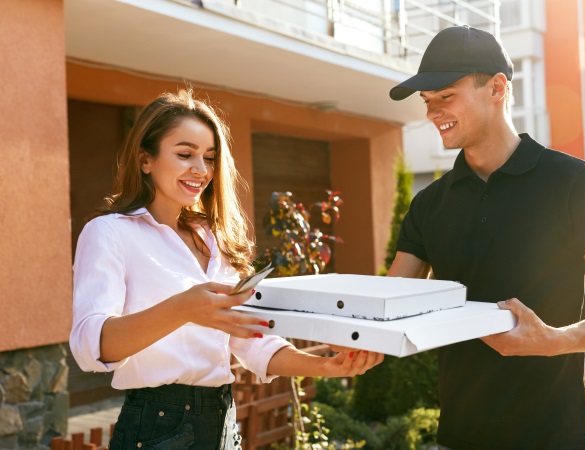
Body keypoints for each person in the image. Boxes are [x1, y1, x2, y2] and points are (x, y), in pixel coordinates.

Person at [70, 89, 383, 449]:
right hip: (157, 427)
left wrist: (326, 365)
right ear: (145, 160)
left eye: (210, 157)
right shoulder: (110, 232)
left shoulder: (213, 238)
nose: (201, 170)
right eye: (185, 154)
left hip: (222, 421)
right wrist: (183, 308)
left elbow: (249, 340)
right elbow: (88, 346)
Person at [387, 26, 585, 449]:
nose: (433, 112)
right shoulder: (429, 205)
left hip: (552, 439)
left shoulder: (572, 184)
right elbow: (390, 305)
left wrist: (556, 340)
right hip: (457, 439)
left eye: (446, 96)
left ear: (497, 88)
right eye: (427, 102)